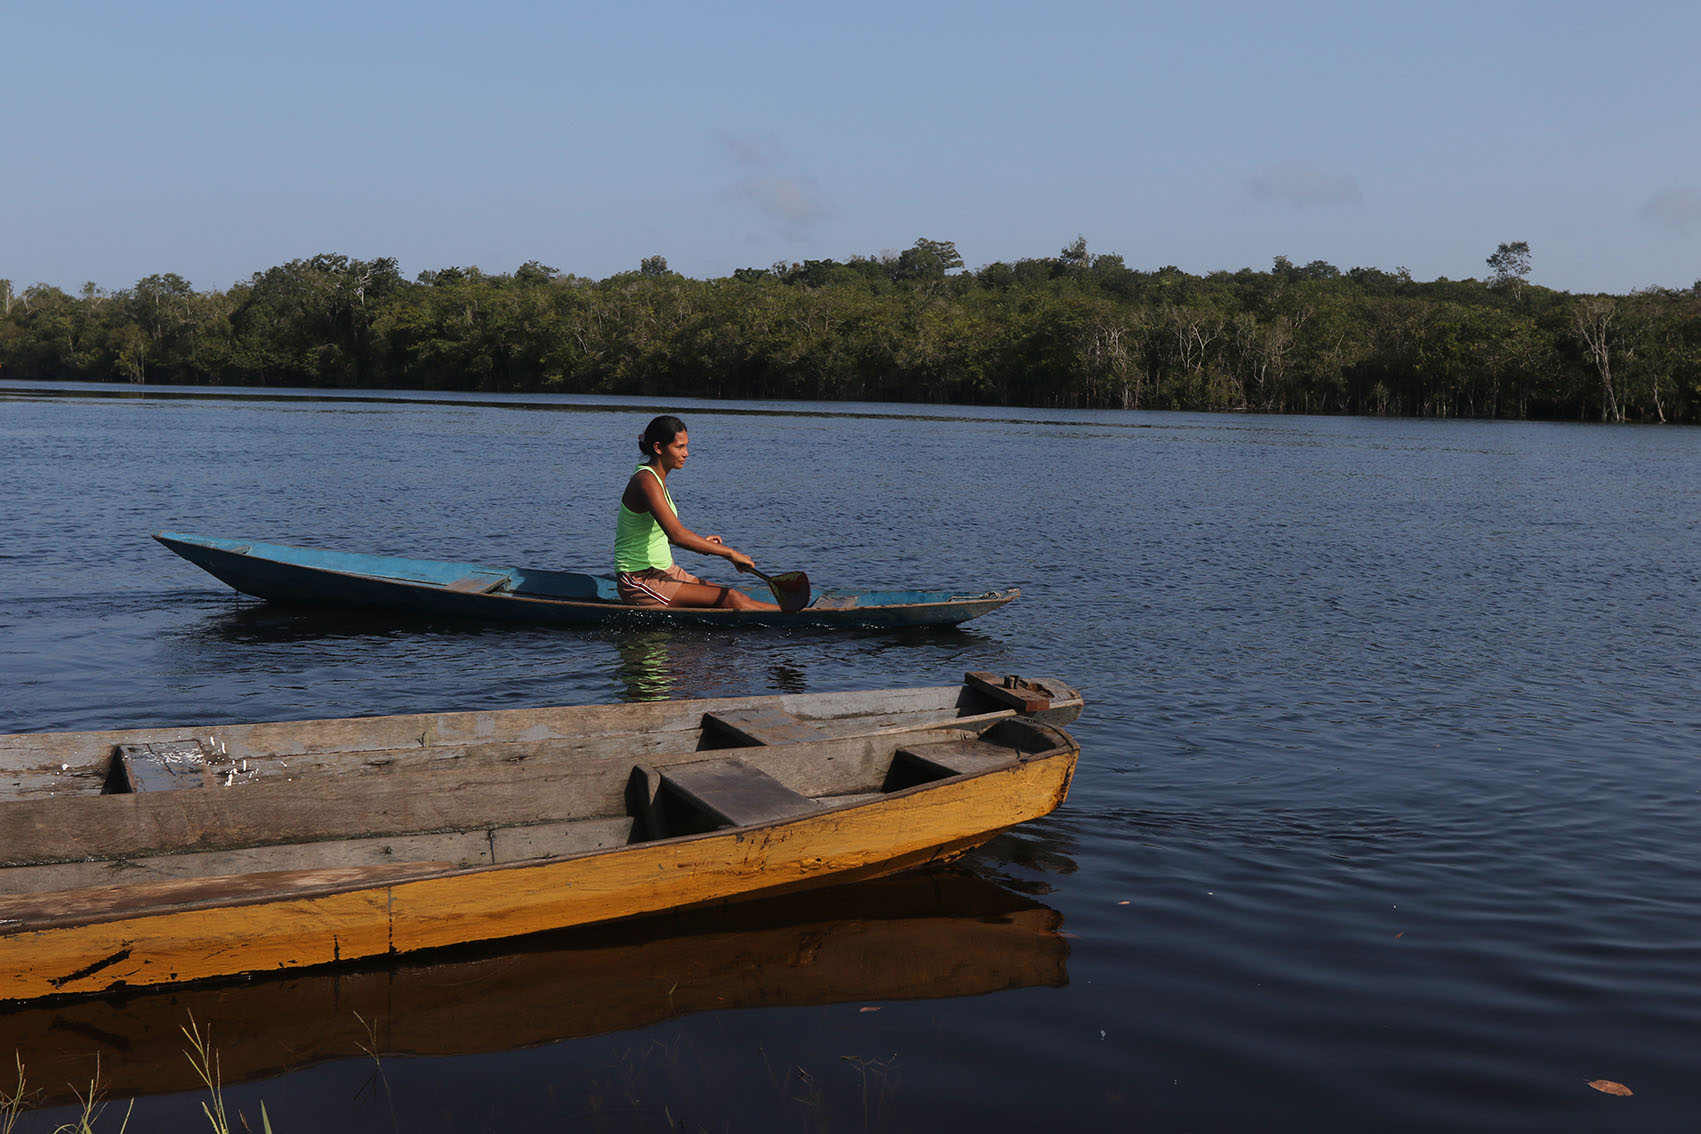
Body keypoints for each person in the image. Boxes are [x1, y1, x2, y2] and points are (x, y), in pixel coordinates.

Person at [615, 415, 778, 610]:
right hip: (640, 579)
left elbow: (656, 534)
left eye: (686, 446)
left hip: (666, 571)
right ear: (659, 448)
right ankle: (795, 620)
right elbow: (677, 536)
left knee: (725, 593)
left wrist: (703, 543)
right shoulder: (645, 481)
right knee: (732, 598)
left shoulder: (656, 479)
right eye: (679, 447)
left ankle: (790, 615)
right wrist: (730, 554)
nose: (686, 453)